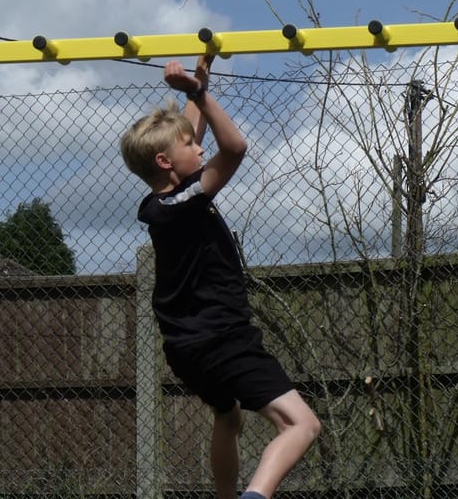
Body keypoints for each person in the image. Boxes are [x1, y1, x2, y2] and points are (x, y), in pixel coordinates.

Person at [120, 55, 321, 499]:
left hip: (185, 350)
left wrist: (199, 86)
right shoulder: (188, 201)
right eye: (192, 147)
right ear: (164, 161)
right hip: (223, 341)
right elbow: (235, 149)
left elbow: (188, 137)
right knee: (302, 424)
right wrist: (199, 94)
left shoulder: (163, 204)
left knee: (229, 417)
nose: (200, 148)